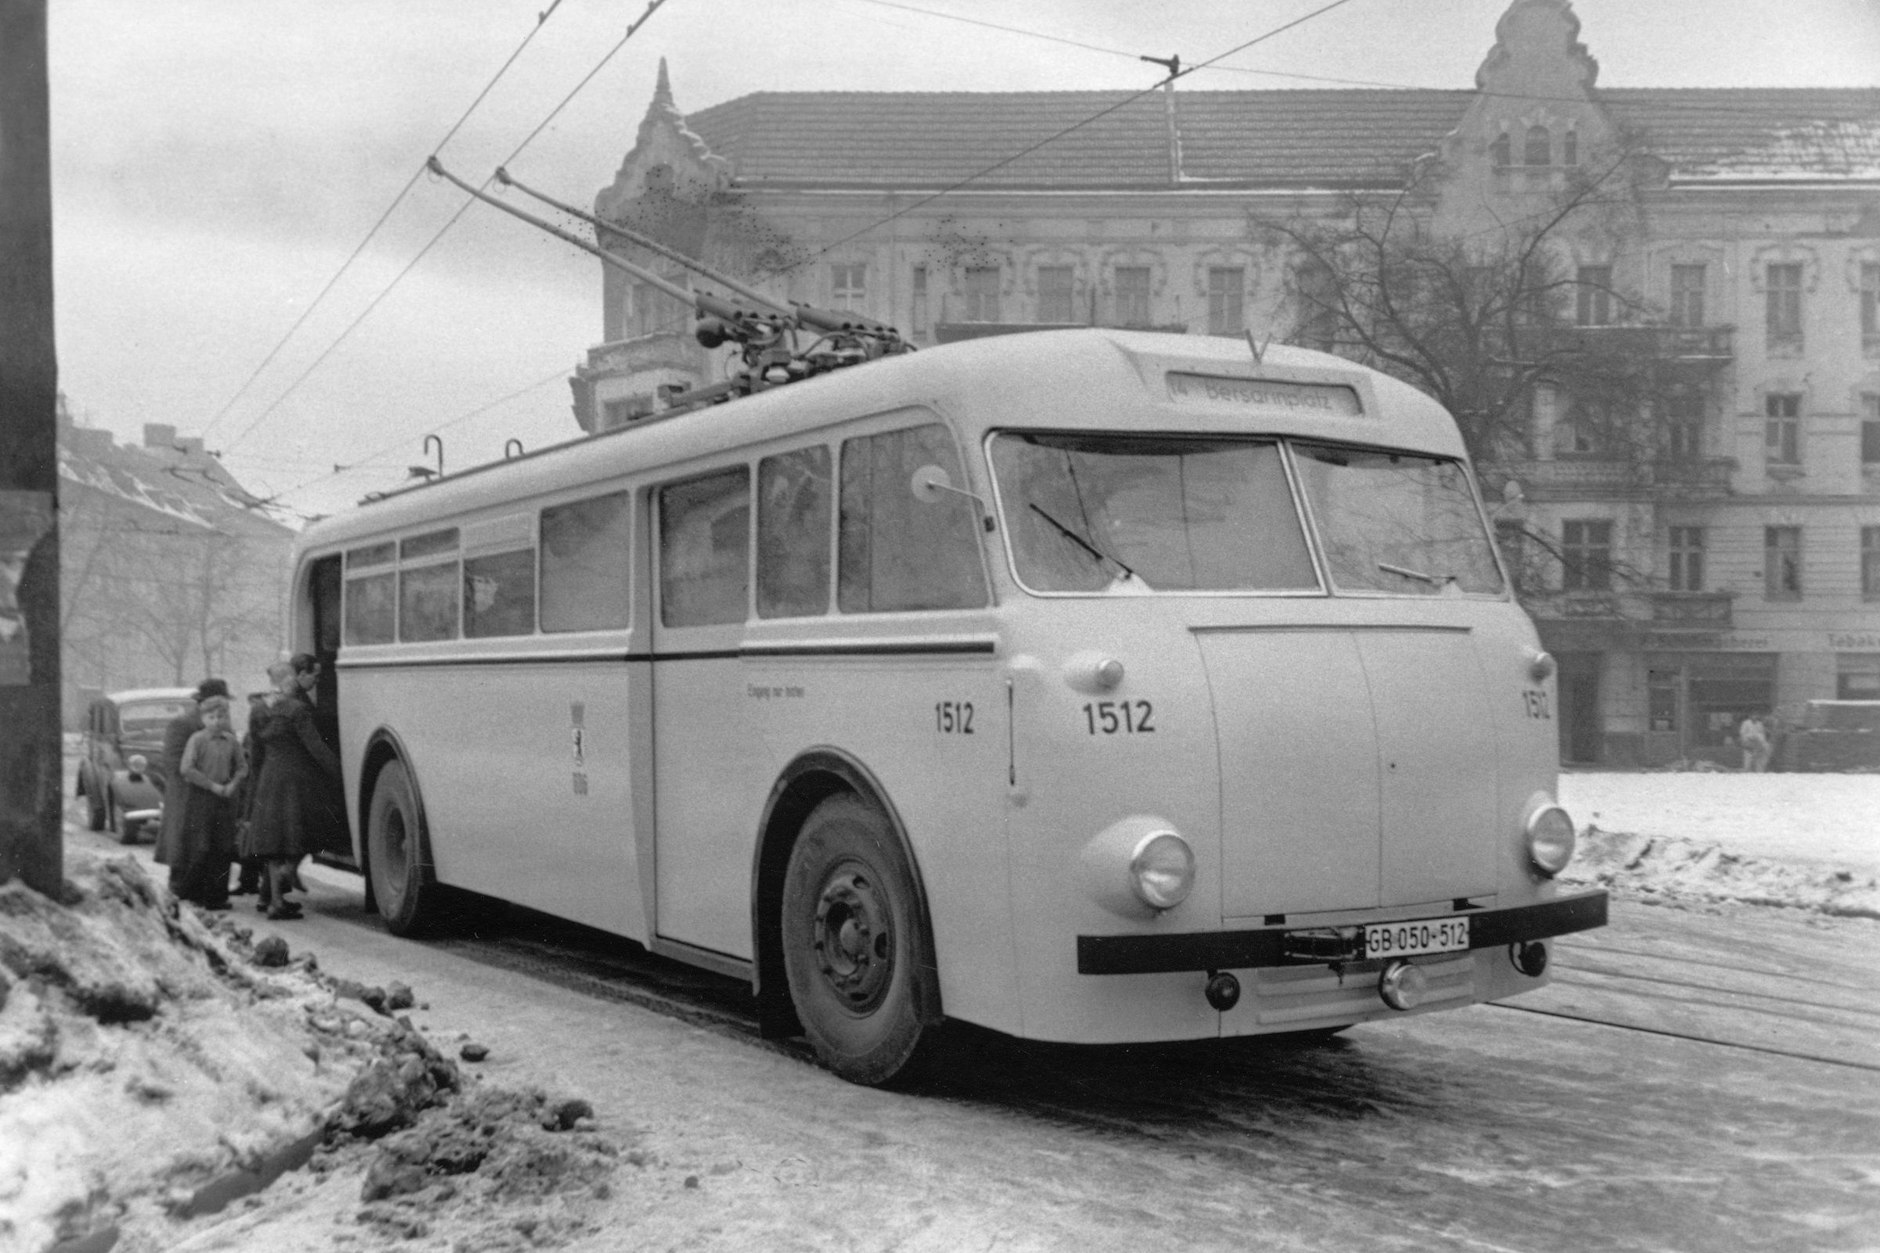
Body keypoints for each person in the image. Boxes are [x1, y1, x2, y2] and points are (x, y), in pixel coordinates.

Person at [243, 659, 341, 921]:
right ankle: (280, 892)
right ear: (288, 681)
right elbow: (316, 747)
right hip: (296, 781)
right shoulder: (296, 709)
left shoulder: (258, 710)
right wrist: (338, 772)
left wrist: (254, 784)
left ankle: (275, 901)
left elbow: (255, 752)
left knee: (274, 842)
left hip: (268, 778)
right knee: (298, 836)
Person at [169, 694, 246, 909]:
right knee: (201, 847)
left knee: (222, 848)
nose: (217, 721)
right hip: (201, 798)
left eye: (221, 716)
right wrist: (212, 786)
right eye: (211, 717)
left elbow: (242, 766)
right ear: (203, 718)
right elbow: (187, 769)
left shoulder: (231, 741)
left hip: (225, 800)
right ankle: (194, 893)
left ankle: (217, 897)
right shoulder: (197, 740)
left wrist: (232, 784)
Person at [154, 678, 228, 876]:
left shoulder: (223, 725)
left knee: (213, 848)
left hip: (216, 797)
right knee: (186, 849)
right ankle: (182, 893)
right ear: (203, 703)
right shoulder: (182, 724)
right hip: (188, 796)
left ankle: (212, 897)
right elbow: (173, 763)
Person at [228, 691, 270, 897]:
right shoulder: (253, 735)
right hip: (252, 789)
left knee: (252, 836)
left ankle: (254, 881)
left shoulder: (254, 736)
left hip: (255, 789)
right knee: (251, 837)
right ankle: (250, 880)